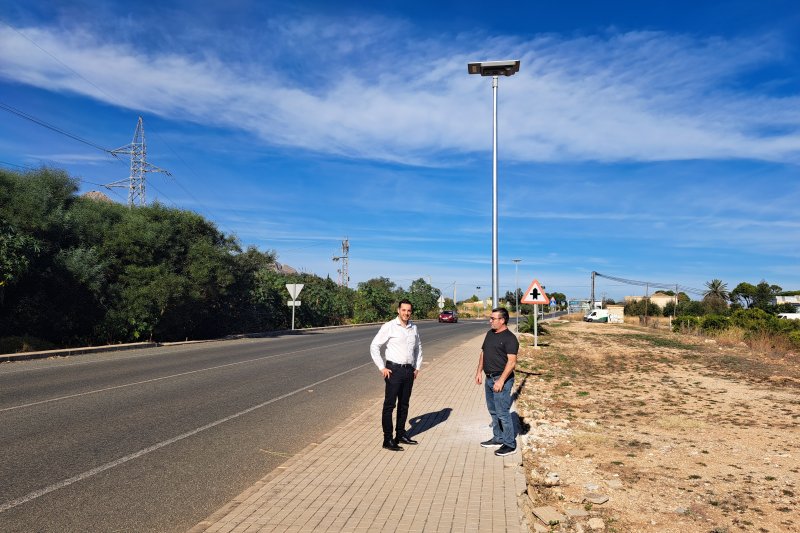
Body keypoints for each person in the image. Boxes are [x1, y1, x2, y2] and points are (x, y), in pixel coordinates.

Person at [370, 299, 423, 451]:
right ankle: (387, 439)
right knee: (389, 405)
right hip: (393, 371)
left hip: (408, 371)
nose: (406, 313)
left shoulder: (414, 328)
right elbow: (374, 346)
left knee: (404, 404)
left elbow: (418, 348)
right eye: (404, 310)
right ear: (398, 310)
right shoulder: (389, 326)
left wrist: (417, 367)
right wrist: (382, 367)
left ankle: (400, 434)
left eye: (409, 311)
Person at [475, 307, 519, 456]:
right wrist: (478, 372)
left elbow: (512, 362)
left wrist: (500, 381)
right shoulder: (490, 334)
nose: (490, 321)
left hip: (502, 380)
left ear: (502, 320)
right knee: (493, 411)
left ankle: (509, 444)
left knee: (502, 412)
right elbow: (483, 354)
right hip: (489, 378)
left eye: (493, 319)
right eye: (490, 318)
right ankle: (498, 437)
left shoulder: (510, 338)